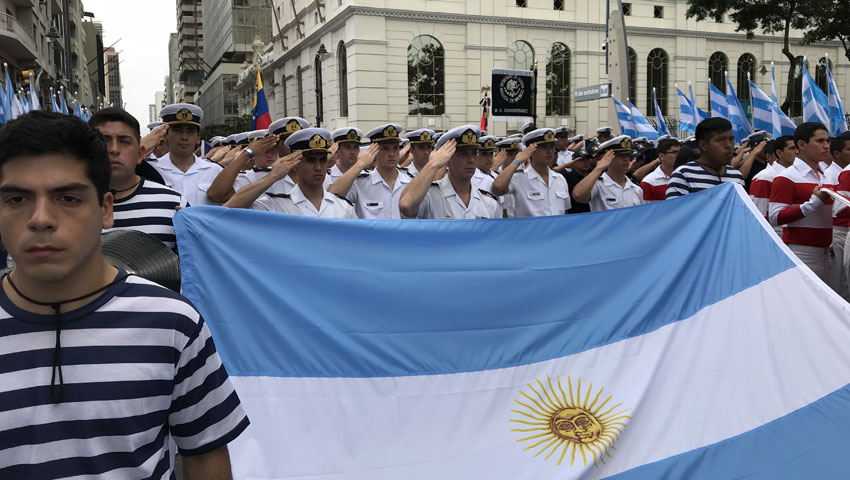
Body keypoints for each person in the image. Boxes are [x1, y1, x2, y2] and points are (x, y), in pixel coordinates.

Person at [0, 111, 248, 479]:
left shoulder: (174, 323)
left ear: (105, 210)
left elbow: (205, 456)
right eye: (18, 198)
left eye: (67, 198)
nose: (41, 218)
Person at [88, 108, 187, 251]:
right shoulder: (67, 205)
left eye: (124, 141)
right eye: (105, 140)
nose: (114, 149)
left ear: (141, 154)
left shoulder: (175, 205)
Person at [225, 128, 356, 218]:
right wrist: (272, 176)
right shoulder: (275, 205)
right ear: (295, 164)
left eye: (322, 160)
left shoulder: (343, 207)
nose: (318, 167)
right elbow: (229, 209)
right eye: (311, 160)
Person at [769, 122, 834, 281]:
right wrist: (813, 203)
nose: (826, 146)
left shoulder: (827, 175)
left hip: (827, 253)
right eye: (819, 141)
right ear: (801, 144)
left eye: (826, 141)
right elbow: (775, 217)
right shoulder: (786, 177)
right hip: (801, 253)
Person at [399, 125, 501, 219]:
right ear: (447, 159)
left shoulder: (489, 202)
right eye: (463, 154)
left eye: (474, 153)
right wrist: (433, 164)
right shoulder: (430, 195)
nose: (471, 160)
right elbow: (406, 205)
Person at [328, 124, 412, 219]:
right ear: (374, 151)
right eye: (385, 149)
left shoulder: (410, 182)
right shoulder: (360, 183)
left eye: (395, 148)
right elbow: (332, 197)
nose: (392, 154)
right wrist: (360, 164)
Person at [153, 103, 223, 206]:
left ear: (198, 138)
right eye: (177, 131)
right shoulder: (153, 170)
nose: (184, 137)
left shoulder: (214, 171)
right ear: (165, 135)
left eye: (190, 132)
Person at [492, 128, 571, 217]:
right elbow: (498, 188)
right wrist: (517, 161)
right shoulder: (519, 178)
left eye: (552, 147)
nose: (550, 152)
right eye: (544, 147)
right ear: (531, 151)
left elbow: (565, 212)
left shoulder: (560, 179)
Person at [666, 118, 745, 198]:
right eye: (721, 140)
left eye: (731, 139)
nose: (729, 145)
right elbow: (675, 209)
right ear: (703, 145)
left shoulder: (736, 176)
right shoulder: (683, 176)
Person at [206, 130, 283, 203]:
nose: (270, 155)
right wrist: (246, 155)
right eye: (265, 151)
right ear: (254, 154)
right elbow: (216, 194)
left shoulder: (286, 174)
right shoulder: (248, 178)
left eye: (273, 150)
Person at [572, 136, 645, 211]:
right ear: (606, 157)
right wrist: (599, 168)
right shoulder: (598, 185)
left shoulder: (636, 189)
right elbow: (578, 195)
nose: (626, 159)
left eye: (627, 155)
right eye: (620, 155)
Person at [749, 136, 796, 235]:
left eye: (798, 148)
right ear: (779, 153)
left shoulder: (799, 175)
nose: (796, 152)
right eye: (792, 148)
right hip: (776, 237)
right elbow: (759, 214)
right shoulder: (764, 177)